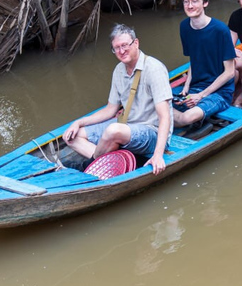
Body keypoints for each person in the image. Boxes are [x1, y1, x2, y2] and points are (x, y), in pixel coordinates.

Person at [62, 24, 173, 175]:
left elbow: (164, 116)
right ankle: (114, 162)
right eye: (116, 48)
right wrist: (78, 122)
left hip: (151, 132)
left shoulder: (154, 69)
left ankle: (88, 165)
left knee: (113, 130)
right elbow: (110, 109)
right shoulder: (119, 70)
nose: (121, 51)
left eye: (125, 45)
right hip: (126, 124)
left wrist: (158, 155)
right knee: (71, 136)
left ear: (136, 43)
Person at [173, 0, 236, 128]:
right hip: (195, 88)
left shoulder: (220, 30)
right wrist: (186, 87)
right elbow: (193, 60)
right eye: (186, 1)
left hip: (219, 93)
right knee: (157, 101)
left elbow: (230, 72)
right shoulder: (184, 26)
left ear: (205, 3)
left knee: (186, 118)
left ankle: (165, 117)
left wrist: (201, 95)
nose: (189, 6)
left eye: (195, 1)